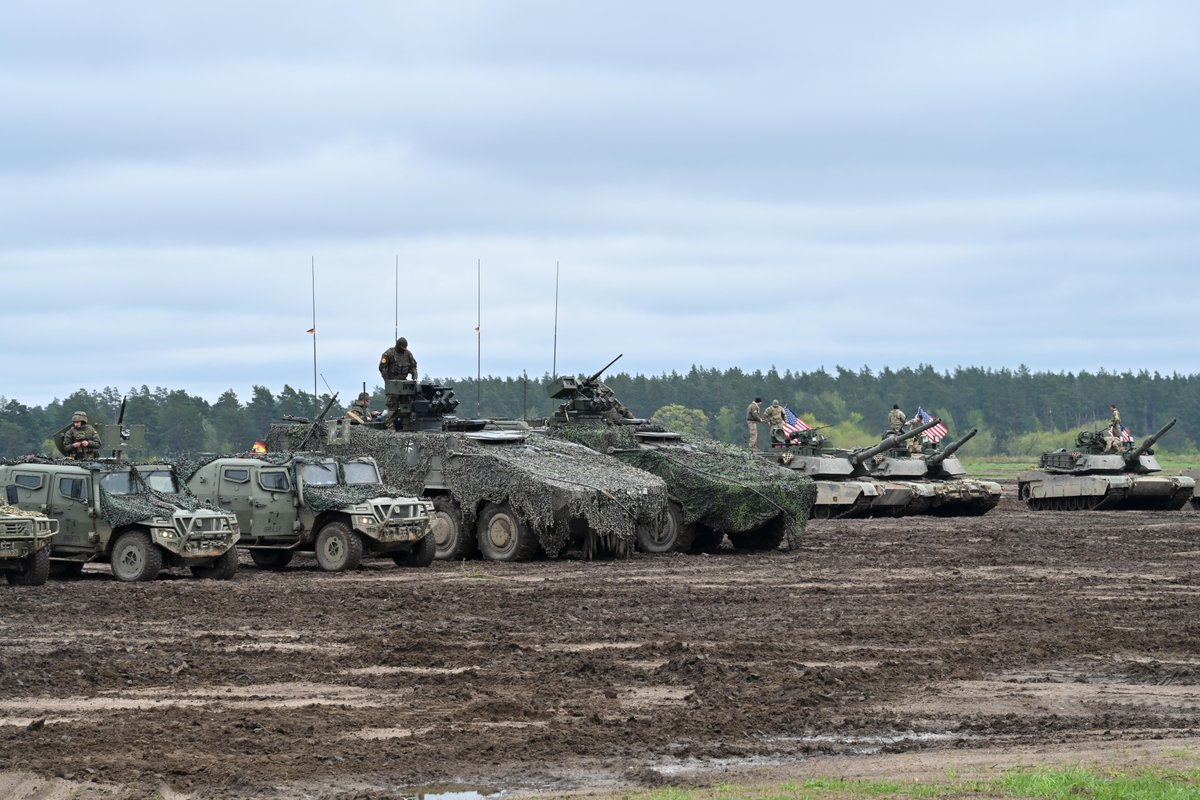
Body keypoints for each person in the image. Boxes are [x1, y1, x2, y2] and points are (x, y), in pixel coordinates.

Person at [379, 337, 418, 423]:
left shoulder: (408, 354)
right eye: (402, 348)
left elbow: (413, 366)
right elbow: (382, 367)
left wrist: (415, 378)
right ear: (398, 346)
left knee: (406, 404)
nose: (404, 349)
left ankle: (407, 424)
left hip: (404, 383)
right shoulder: (389, 353)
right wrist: (387, 380)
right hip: (393, 383)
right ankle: (390, 425)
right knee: (393, 405)